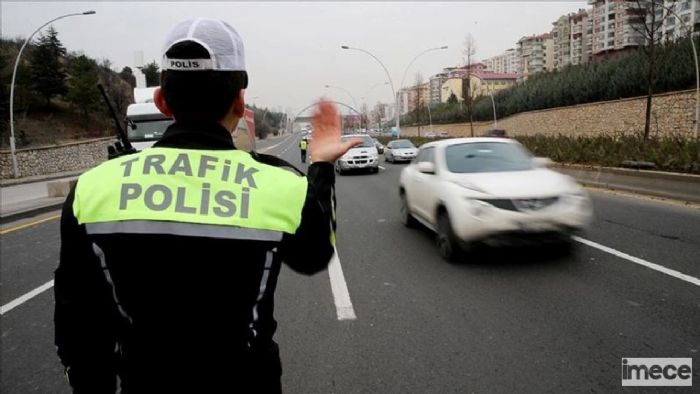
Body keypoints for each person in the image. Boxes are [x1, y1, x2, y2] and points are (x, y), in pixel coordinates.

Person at [54, 18, 360, 393]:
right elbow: (314, 256)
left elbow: (79, 325)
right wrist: (322, 167)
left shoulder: (92, 189)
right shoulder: (282, 186)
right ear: (239, 101)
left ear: (163, 101)